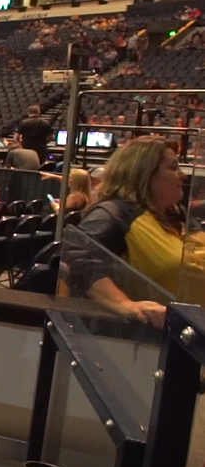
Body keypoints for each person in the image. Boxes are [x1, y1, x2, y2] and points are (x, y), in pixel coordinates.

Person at [71, 137, 203, 327]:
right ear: (144, 174)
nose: (182, 175)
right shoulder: (115, 213)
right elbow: (77, 257)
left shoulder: (175, 213)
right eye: (173, 168)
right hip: (153, 340)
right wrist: (124, 305)